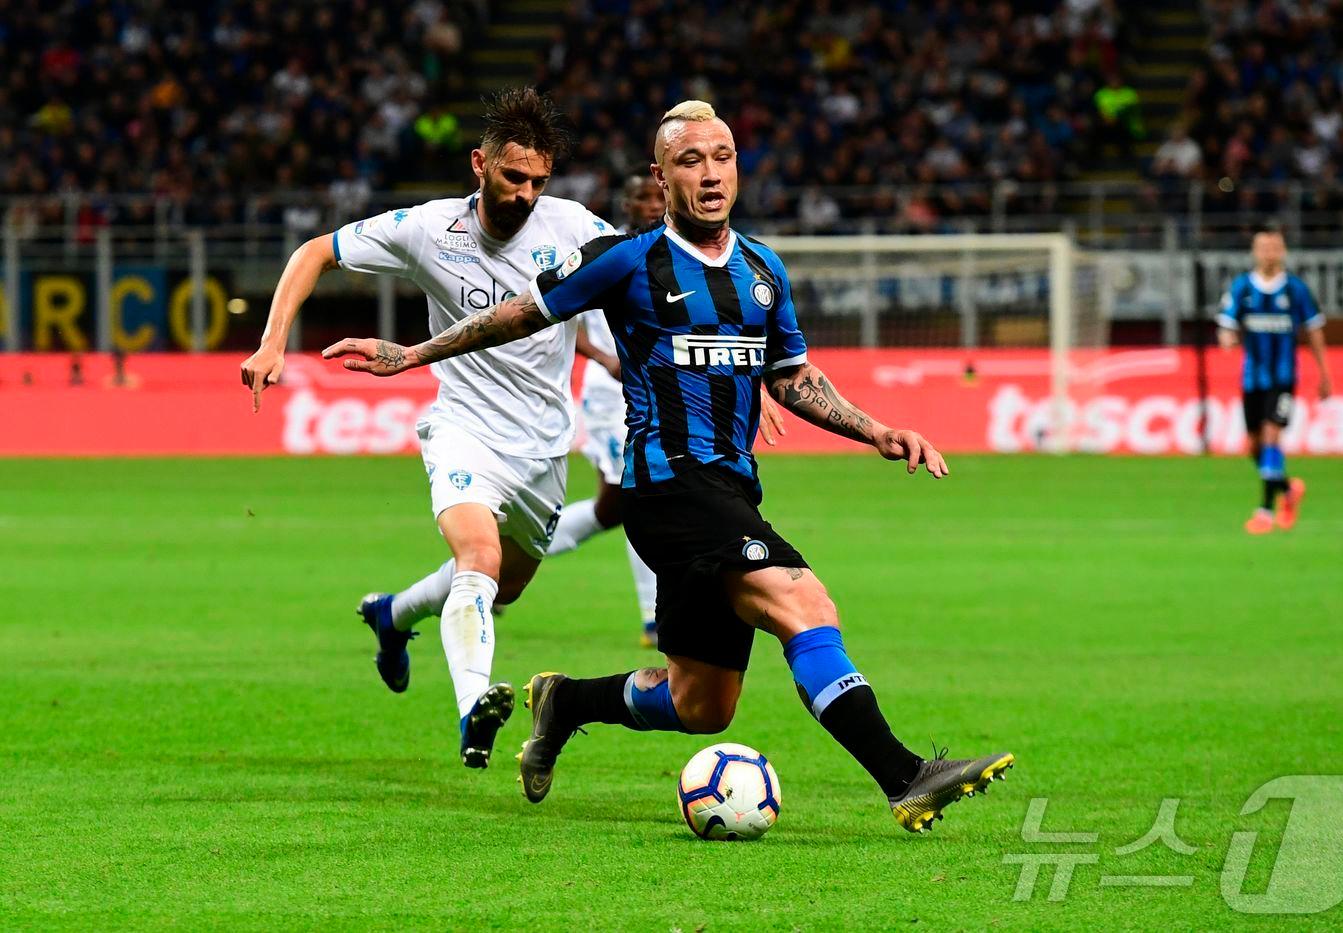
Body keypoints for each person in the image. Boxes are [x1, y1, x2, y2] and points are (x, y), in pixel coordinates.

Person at [323, 101, 1013, 833]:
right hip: (667, 484)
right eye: (691, 160)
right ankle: (907, 775)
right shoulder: (627, 260)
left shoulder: (761, 269)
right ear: (663, 175)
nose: (710, 173)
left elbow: (791, 375)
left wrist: (876, 429)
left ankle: (565, 702)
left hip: (731, 486)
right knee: (803, 604)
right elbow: (516, 314)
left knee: (700, 703)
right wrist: (413, 354)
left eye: (723, 157)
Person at [239, 87, 619, 772]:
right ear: (480, 164)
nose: (526, 193)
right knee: (479, 555)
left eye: (538, 180)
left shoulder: (574, 227)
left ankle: (392, 613)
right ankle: (474, 703)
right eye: (513, 177)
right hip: (464, 428)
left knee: (504, 586)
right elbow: (312, 252)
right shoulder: (428, 229)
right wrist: (273, 342)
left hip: (543, 444)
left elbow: (646, 281)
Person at [546, 162, 785, 647]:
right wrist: (604, 358)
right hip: (612, 395)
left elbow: (717, 336)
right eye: (644, 202)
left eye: (657, 203)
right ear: (630, 203)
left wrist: (756, 382)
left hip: (667, 390)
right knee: (632, 498)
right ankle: (652, 616)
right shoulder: (611, 254)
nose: (653, 208)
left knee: (612, 508)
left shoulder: (684, 254)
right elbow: (560, 320)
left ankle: (520, 548)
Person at [1217, 226, 1333, 534]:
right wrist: (1227, 337)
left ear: (1282, 251)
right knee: (1254, 447)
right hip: (1252, 379)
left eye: (1274, 247)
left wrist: (1324, 374)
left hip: (1283, 378)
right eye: (1263, 248)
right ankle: (1288, 489)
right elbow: (1226, 323)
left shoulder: (1296, 289)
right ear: (1255, 251)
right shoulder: (1242, 287)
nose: (1269, 253)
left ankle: (1265, 512)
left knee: (1271, 436)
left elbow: (1314, 332)